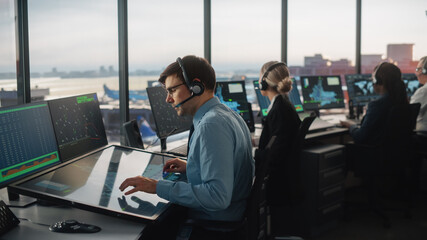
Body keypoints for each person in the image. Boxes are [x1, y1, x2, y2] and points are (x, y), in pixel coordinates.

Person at [119, 55, 254, 240]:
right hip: (233, 219)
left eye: (172, 90)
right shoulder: (229, 115)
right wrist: (192, 165)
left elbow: (217, 197)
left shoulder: (210, 125)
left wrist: (156, 186)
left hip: (213, 229)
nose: (168, 99)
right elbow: (234, 166)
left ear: (196, 87)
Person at [254, 61, 301, 206]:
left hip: (277, 183)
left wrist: (254, 154)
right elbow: (277, 141)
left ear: (264, 82)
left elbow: (273, 155)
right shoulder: (284, 105)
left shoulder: (278, 111)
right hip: (285, 179)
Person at [340, 62, 408, 144]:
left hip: (375, 154)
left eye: (372, 79)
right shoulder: (403, 102)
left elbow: (360, 136)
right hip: (398, 153)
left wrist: (351, 125)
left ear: (377, 81)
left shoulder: (377, 106)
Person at [411, 56, 427, 133]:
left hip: (422, 138)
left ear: (425, 70)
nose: (416, 73)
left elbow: (408, 115)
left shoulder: (423, 91)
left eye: (418, 69)